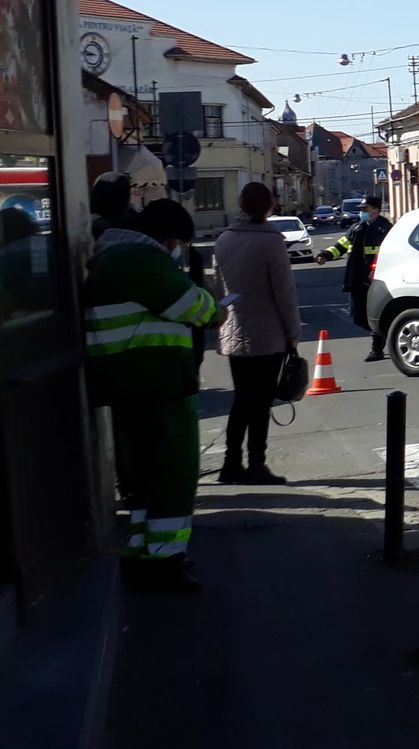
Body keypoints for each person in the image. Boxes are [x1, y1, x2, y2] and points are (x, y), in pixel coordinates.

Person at [83, 198, 220, 592]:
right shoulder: (141, 260)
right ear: (168, 238)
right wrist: (217, 310)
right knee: (173, 473)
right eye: (177, 243)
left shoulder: (109, 258)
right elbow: (194, 306)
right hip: (157, 385)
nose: (177, 250)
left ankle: (142, 552)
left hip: (127, 384)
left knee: (144, 477)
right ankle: (166, 562)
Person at [211, 181, 301, 485]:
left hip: (234, 329)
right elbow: (283, 294)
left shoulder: (224, 240)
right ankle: (256, 464)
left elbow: (223, 291)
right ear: (269, 207)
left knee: (241, 400)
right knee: (261, 403)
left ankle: (230, 463)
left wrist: (230, 310)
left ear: (240, 205)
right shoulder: (272, 243)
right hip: (267, 333)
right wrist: (293, 332)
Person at [319, 192, 392, 359]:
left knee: (373, 313)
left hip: (374, 279)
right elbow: (341, 246)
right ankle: (383, 332)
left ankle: (377, 348)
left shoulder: (384, 228)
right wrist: (325, 255)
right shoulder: (357, 228)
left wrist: (376, 270)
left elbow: (387, 254)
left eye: (365, 208)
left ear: (375, 210)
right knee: (357, 316)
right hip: (356, 278)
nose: (362, 211)